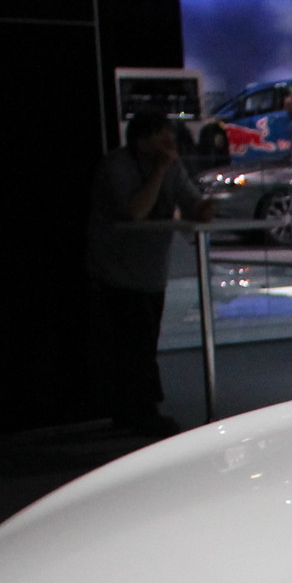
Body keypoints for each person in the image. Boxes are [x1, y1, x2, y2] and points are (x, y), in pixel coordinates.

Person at [87, 112, 212, 437]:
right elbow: (136, 210)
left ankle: (135, 409)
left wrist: (204, 207)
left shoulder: (172, 166)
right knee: (131, 343)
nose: (170, 142)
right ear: (142, 141)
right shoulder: (117, 166)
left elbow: (191, 201)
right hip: (116, 271)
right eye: (162, 135)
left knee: (143, 341)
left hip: (150, 271)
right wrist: (159, 171)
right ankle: (139, 410)